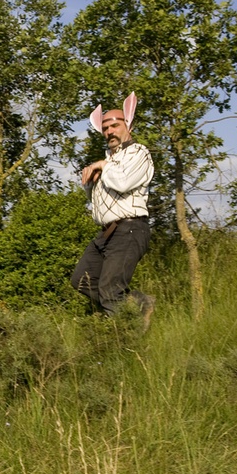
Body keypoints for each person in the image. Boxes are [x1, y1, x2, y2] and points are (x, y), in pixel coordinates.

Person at [71, 92, 156, 327]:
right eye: (105, 127)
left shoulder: (139, 153)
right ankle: (138, 302)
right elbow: (98, 202)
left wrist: (103, 166)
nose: (110, 131)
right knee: (82, 280)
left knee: (110, 290)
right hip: (107, 233)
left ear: (127, 124)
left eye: (115, 125)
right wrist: (91, 183)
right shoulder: (108, 161)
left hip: (130, 229)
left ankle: (127, 338)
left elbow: (122, 182)